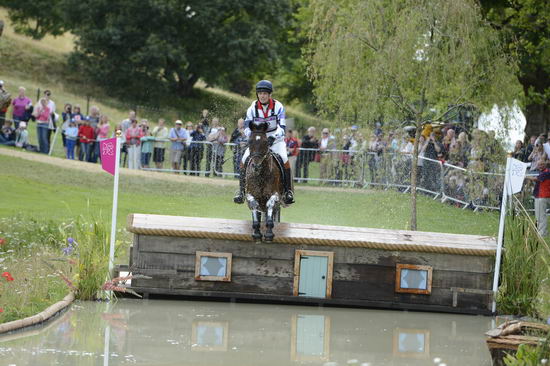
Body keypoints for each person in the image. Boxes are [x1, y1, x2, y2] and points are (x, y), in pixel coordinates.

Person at [234, 80, 294, 204]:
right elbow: (246, 127)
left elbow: (282, 127)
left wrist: (273, 138)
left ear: (269, 94)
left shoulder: (278, 107)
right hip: (258, 140)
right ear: (257, 94)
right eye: (260, 93)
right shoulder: (252, 108)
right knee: (244, 160)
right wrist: (254, 137)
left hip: (275, 139)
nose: (262, 96)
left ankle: (288, 191)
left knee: (284, 158)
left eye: (265, 93)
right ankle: (241, 192)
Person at [527, 160, 550, 237]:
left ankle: (542, 233)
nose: (540, 166)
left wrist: (525, 176)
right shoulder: (544, 172)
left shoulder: (546, 172)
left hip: (542, 196)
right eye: (539, 165)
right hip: (541, 196)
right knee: (539, 216)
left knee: (541, 216)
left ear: (545, 165)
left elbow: (535, 179)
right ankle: (542, 232)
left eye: (542, 164)